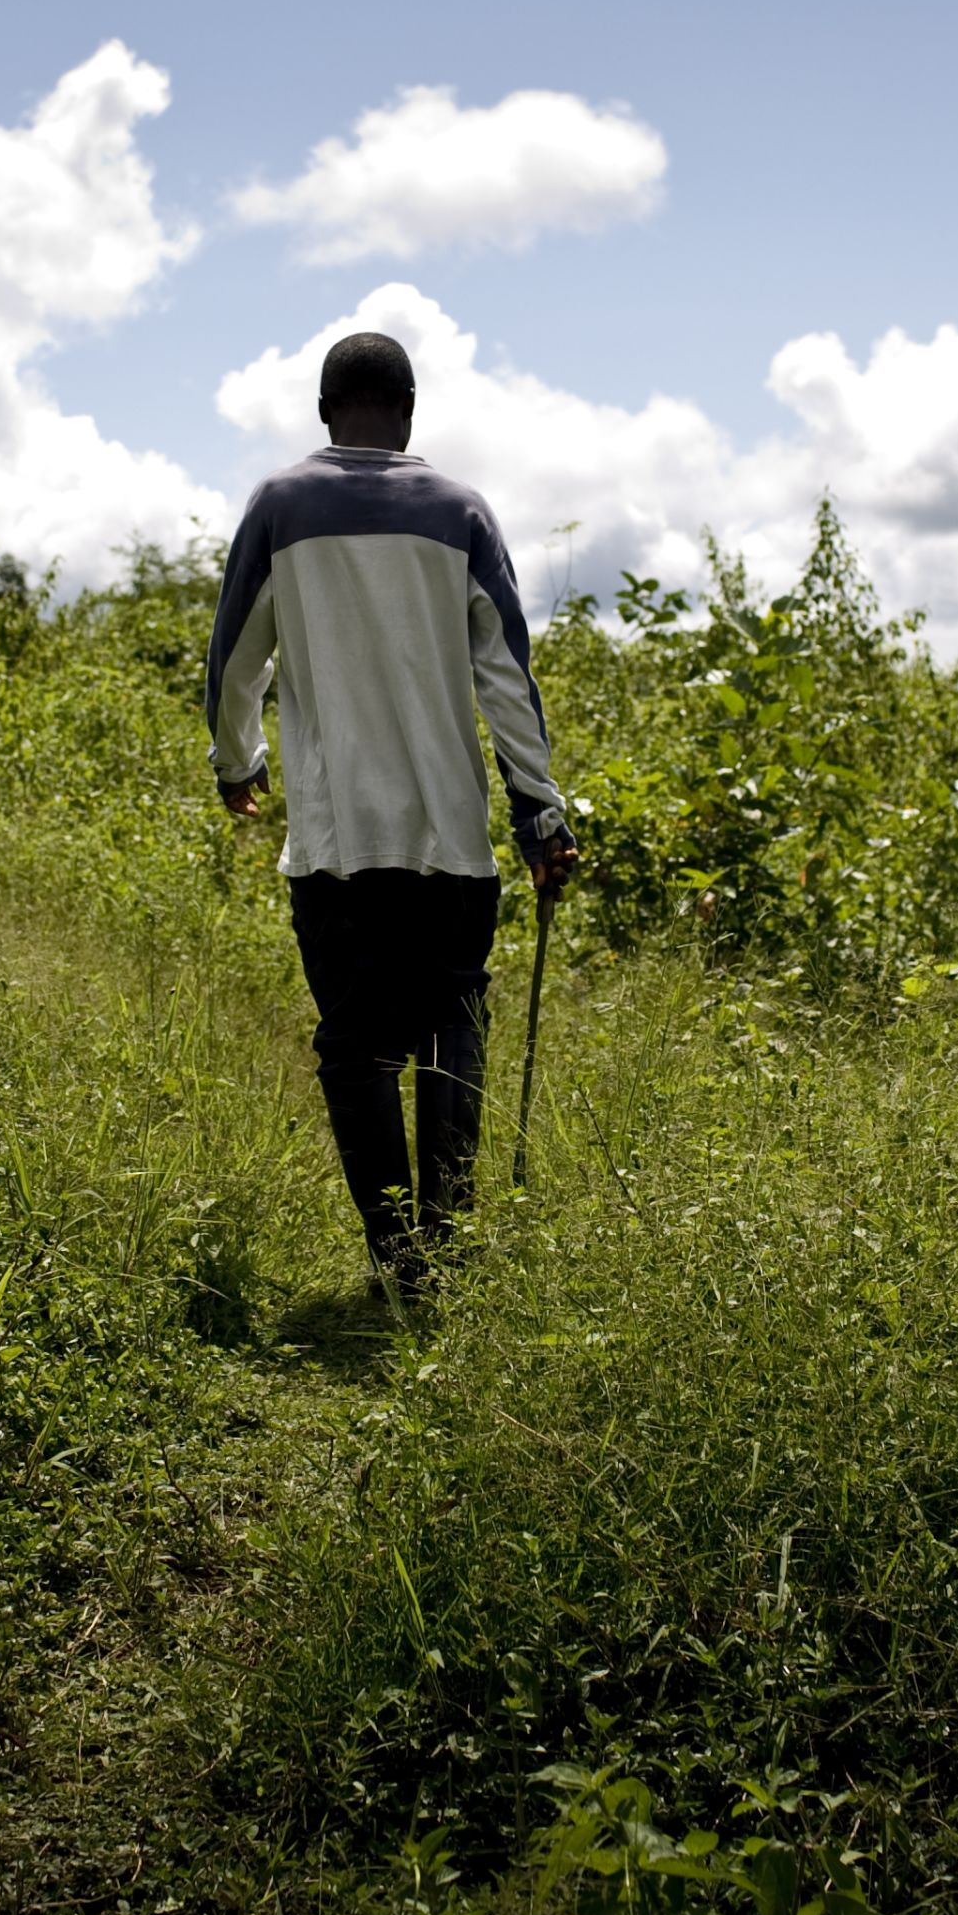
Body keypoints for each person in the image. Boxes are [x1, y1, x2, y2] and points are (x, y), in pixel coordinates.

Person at [207, 330, 578, 1290]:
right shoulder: (461, 512)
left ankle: (399, 1258)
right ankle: (442, 1256)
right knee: (454, 1021)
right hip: (453, 837)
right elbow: (507, 677)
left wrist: (235, 764)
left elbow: (236, 658)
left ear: (325, 410)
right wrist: (541, 812)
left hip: (337, 842)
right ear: (411, 409)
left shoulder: (280, 507)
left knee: (356, 1047)